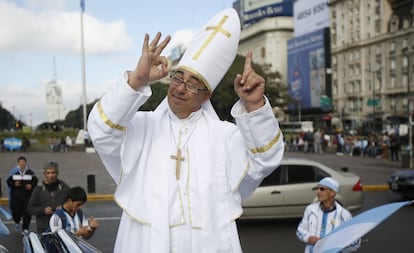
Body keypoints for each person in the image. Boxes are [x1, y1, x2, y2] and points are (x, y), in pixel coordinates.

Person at [87, 8, 284, 253]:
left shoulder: (225, 136)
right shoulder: (140, 127)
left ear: (207, 95)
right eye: (178, 78)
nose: (180, 88)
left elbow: (266, 158)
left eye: (192, 84)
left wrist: (254, 105)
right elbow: (99, 130)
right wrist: (136, 80)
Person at [296, 177, 360, 253]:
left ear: (332, 193)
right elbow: (300, 230)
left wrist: (337, 246)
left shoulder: (344, 215)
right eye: (318, 188)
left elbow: (356, 242)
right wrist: (308, 238)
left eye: (322, 189)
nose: (318, 192)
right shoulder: (310, 210)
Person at [27, 161, 71, 233]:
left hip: (62, 227)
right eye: (48, 173)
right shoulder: (38, 189)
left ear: (57, 173)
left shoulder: (64, 187)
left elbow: (72, 204)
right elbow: (30, 208)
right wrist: (43, 210)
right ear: (44, 174)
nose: (51, 175)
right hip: (44, 227)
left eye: (53, 173)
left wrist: (63, 208)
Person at [6, 156, 38, 233]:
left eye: (23, 162)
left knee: (27, 213)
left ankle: (25, 228)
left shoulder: (30, 172)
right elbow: (8, 182)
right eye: (20, 162)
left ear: (25, 163)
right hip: (16, 197)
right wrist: (14, 184)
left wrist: (31, 186)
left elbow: (35, 181)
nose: (22, 163)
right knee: (16, 212)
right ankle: (17, 222)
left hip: (27, 196)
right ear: (18, 163)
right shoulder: (14, 172)